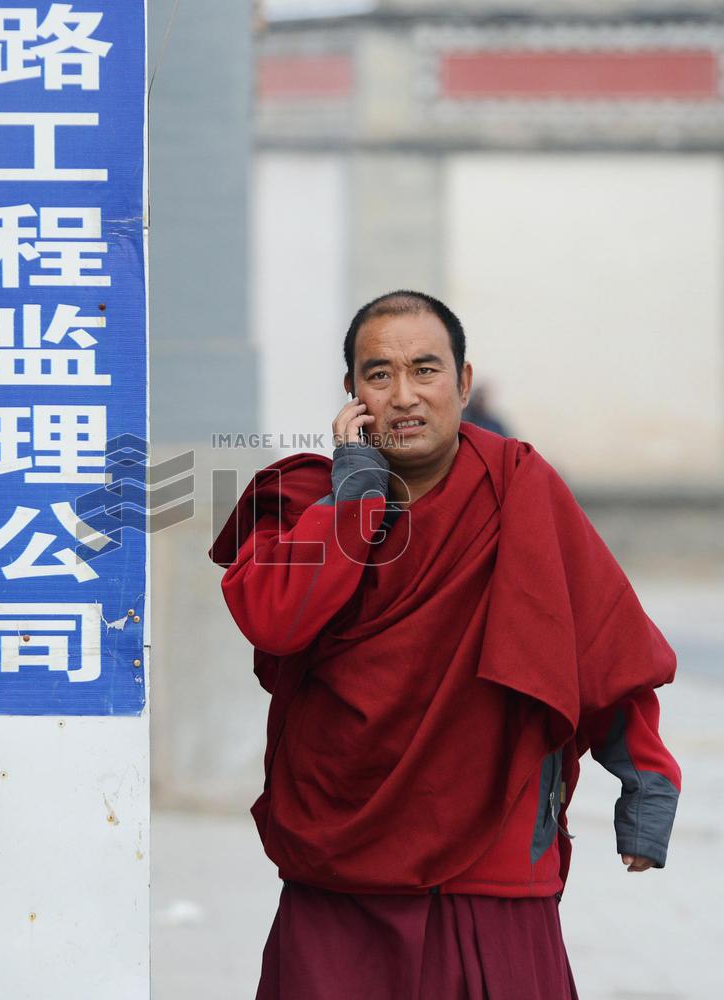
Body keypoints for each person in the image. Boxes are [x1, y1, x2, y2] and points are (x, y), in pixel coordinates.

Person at [207, 290, 682, 1000]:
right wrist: (355, 492)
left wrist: (645, 779)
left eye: (425, 370)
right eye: (378, 375)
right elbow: (275, 619)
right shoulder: (306, 501)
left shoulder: (517, 487)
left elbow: (593, 639)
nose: (404, 396)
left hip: (490, 857)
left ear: (462, 382)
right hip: (340, 860)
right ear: (351, 393)